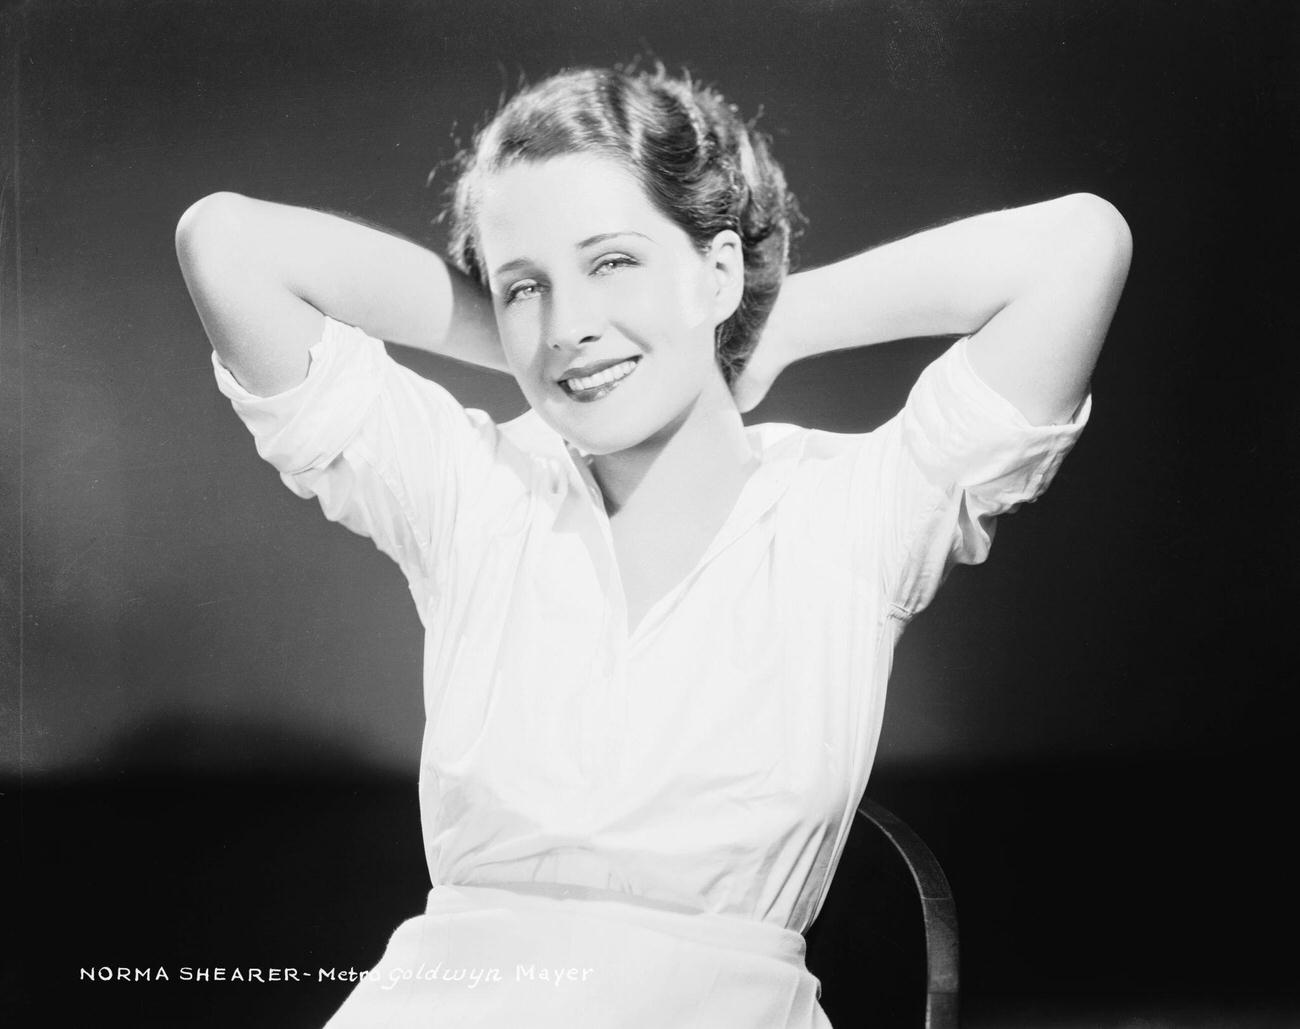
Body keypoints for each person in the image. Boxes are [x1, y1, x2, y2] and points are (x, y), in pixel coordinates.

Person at [175, 64, 1129, 1028]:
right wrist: (553, 342)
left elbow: (1079, 248)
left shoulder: (852, 510)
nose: (570, 323)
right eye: (523, 288)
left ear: (717, 269)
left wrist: (762, 321)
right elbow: (227, 244)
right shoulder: (475, 491)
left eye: (613, 263)